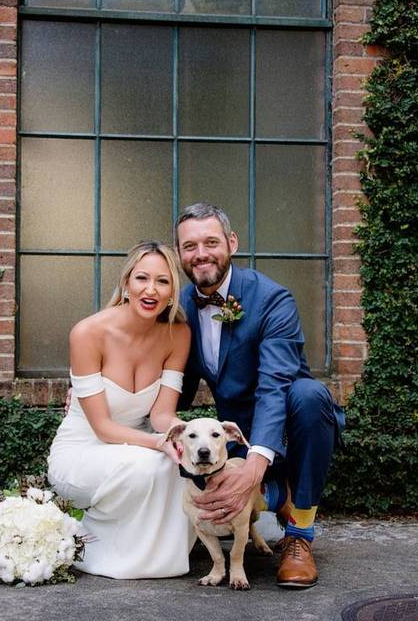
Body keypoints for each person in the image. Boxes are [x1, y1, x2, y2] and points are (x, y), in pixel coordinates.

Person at [175, 202, 346, 589]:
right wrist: (100, 393)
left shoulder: (272, 299)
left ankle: (299, 537)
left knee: (310, 394)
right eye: (189, 246)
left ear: (232, 243)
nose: (200, 253)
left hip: (288, 426)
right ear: (180, 254)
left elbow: (275, 385)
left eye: (211, 242)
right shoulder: (181, 303)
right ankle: (276, 496)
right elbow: (171, 379)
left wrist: (254, 466)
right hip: (232, 434)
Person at [47, 241, 196, 579]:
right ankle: (98, 550)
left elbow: (161, 415)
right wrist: (159, 443)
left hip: (137, 446)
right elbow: (103, 428)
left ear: (173, 290)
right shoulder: (88, 333)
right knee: (151, 465)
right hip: (84, 449)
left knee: (178, 463)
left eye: (162, 281)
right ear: (127, 282)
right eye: (142, 278)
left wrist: (181, 434)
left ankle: (158, 560)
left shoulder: (178, 334)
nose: (151, 289)